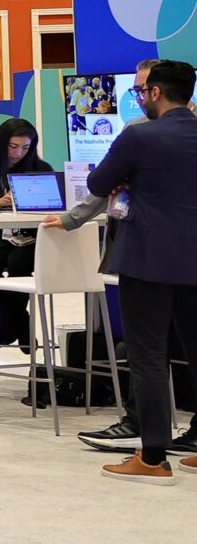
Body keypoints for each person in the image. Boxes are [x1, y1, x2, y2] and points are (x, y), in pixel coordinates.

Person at [84, 59, 197, 484]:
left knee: (149, 356)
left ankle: (152, 456)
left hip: (148, 258)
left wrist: (123, 178)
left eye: (141, 91)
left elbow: (98, 185)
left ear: (155, 93)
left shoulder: (139, 136)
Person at [0, 117, 53, 352]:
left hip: (29, 236)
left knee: (19, 262)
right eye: (13, 147)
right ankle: (19, 324)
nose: (18, 153)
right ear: (2, 143)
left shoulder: (41, 169)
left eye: (25, 147)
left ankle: (4, 330)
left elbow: (54, 207)